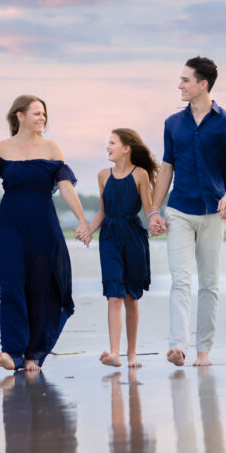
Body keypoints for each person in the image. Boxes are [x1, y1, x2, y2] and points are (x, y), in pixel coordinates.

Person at [0, 95, 91, 372]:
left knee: (39, 289)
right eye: (37, 113)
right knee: (11, 286)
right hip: (10, 226)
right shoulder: (2, 149)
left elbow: (65, 188)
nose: (42, 118)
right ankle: (11, 352)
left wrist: (82, 220)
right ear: (20, 116)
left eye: (44, 114)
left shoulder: (52, 149)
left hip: (43, 226)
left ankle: (32, 354)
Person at [149, 57, 226, 367]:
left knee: (209, 283)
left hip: (213, 213)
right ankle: (178, 347)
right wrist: (155, 210)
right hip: (179, 209)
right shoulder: (173, 123)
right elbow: (166, 168)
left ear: (202, 84)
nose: (179, 85)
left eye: (185, 80)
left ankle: (204, 349)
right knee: (180, 281)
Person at [88, 128, 158, 368]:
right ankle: (115, 353)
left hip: (132, 237)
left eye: (112, 143)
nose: (108, 147)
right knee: (114, 293)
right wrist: (88, 230)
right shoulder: (102, 176)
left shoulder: (140, 175)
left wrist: (156, 222)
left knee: (130, 297)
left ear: (126, 148)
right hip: (108, 237)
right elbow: (103, 211)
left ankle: (132, 354)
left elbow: (148, 209)